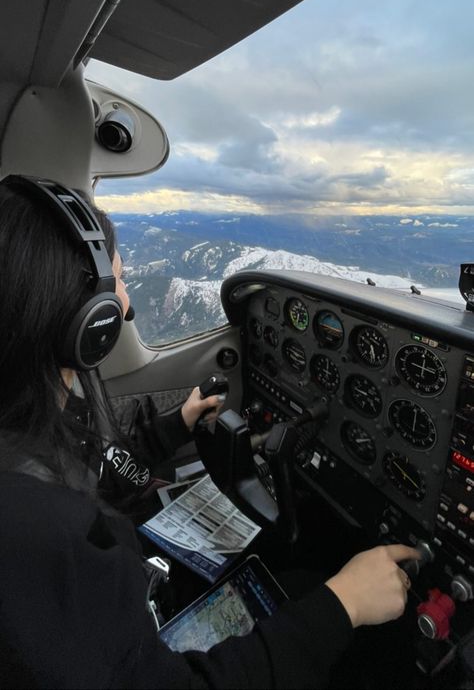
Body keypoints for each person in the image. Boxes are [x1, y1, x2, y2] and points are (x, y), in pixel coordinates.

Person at [0, 175, 420, 689]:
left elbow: (99, 476)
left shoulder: (28, 438)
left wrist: (174, 425)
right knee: (364, 635)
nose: (127, 304)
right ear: (88, 321)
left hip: (135, 602)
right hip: (150, 638)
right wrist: (343, 605)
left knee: (298, 580)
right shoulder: (38, 537)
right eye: (120, 281)